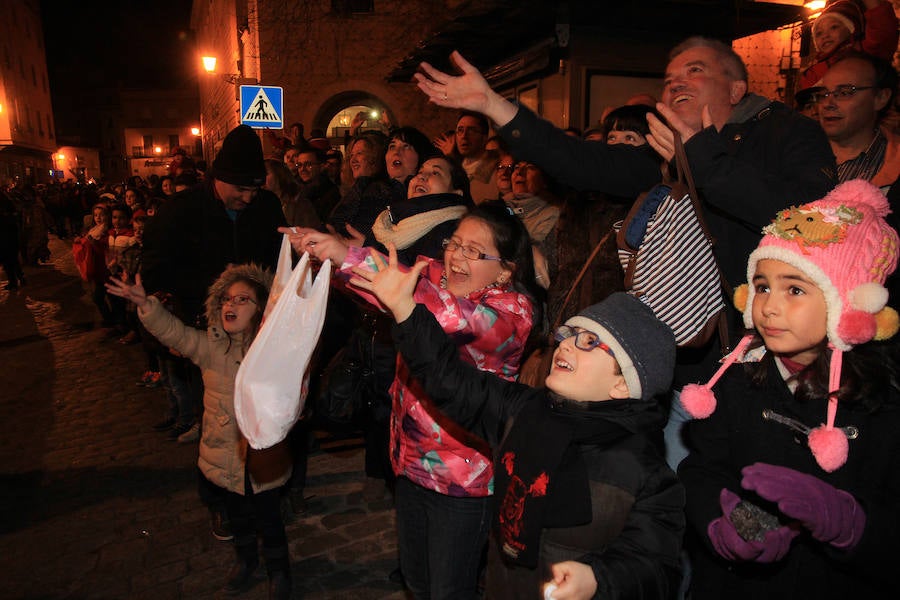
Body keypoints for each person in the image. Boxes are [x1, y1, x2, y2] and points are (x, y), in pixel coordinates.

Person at [351, 246, 684, 599]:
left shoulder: (647, 474)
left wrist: (600, 579)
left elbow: (655, 567)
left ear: (623, 383)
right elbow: (450, 380)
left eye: (589, 342)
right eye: (568, 335)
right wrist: (405, 310)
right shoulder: (525, 410)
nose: (566, 346)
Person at [293, 202, 539, 599]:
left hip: (463, 483)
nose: (457, 256)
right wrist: (332, 253)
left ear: (506, 270)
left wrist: (351, 258)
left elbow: (443, 315)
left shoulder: (512, 314)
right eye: (455, 243)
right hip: (410, 464)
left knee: (449, 591)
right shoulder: (434, 278)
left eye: (474, 251)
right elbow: (390, 288)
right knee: (417, 581)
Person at [676, 179, 900, 599]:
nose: (769, 306)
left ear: (849, 302)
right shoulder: (737, 377)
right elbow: (701, 468)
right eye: (762, 286)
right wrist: (718, 518)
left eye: (794, 288)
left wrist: (852, 525)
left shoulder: (885, 402)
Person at [107, 264, 292, 599]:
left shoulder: (273, 352)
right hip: (224, 454)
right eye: (225, 299)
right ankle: (246, 561)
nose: (230, 305)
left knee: (269, 519)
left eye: (242, 299)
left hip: (262, 459)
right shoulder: (211, 347)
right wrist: (147, 306)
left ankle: (279, 571)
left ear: (262, 308)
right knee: (238, 519)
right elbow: (175, 334)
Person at [141, 124, 287, 542]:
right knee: (220, 418)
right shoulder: (180, 212)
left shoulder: (267, 207)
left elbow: (281, 263)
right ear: (217, 179)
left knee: (266, 414)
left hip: (260, 332)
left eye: (256, 188)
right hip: (205, 332)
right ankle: (223, 501)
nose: (249, 197)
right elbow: (156, 268)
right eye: (241, 188)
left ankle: (273, 489)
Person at [815, 52, 898, 192]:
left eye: (845, 93)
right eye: (824, 94)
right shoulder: (793, 153)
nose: (827, 103)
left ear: (881, 98)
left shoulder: (893, 167)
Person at [799, 0, 898, 90]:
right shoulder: (812, 73)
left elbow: (882, 25)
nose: (825, 36)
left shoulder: (865, 52)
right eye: (819, 33)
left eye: (834, 27)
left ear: (851, 29)